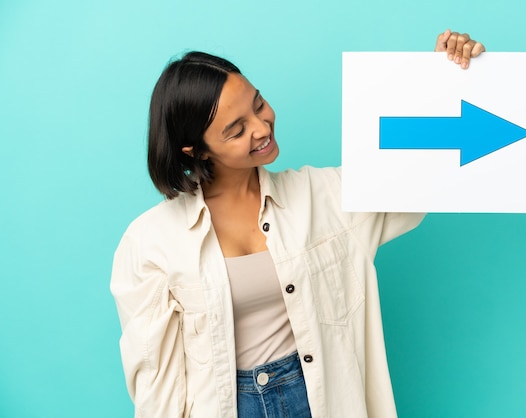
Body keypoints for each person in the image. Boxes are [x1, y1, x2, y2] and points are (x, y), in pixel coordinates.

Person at [111, 30, 485, 418]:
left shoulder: (323, 194)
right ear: (197, 150)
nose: (261, 127)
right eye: (236, 130)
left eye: (259, 104)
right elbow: (157, 386)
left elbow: (419, 176)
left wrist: (445, 77)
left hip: (321, 400)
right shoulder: (150, 242)